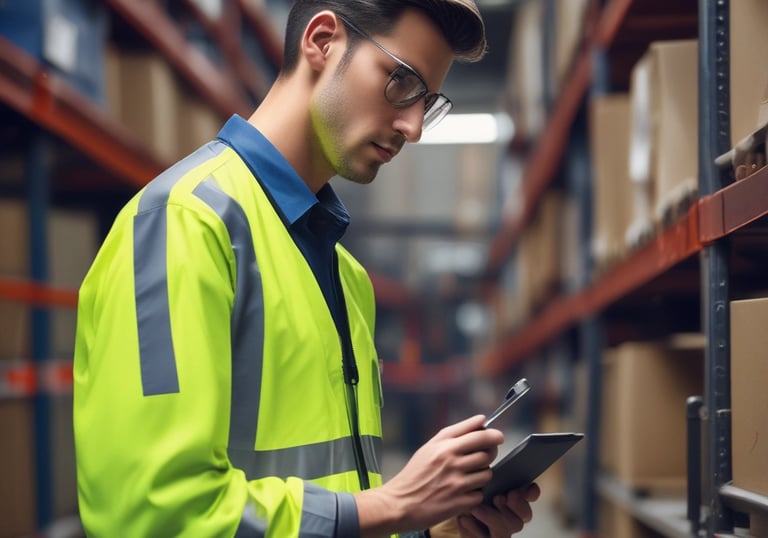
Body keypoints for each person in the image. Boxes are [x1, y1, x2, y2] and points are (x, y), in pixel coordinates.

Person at [72, 1, 541, 536]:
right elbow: (154, 511)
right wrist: (392, 507)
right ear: (321, 41)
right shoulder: (184, 225)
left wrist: (430, 530)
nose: (413, 127)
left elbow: (340, 500)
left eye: (428, 102)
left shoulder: (348, 279)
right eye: (402, 81)